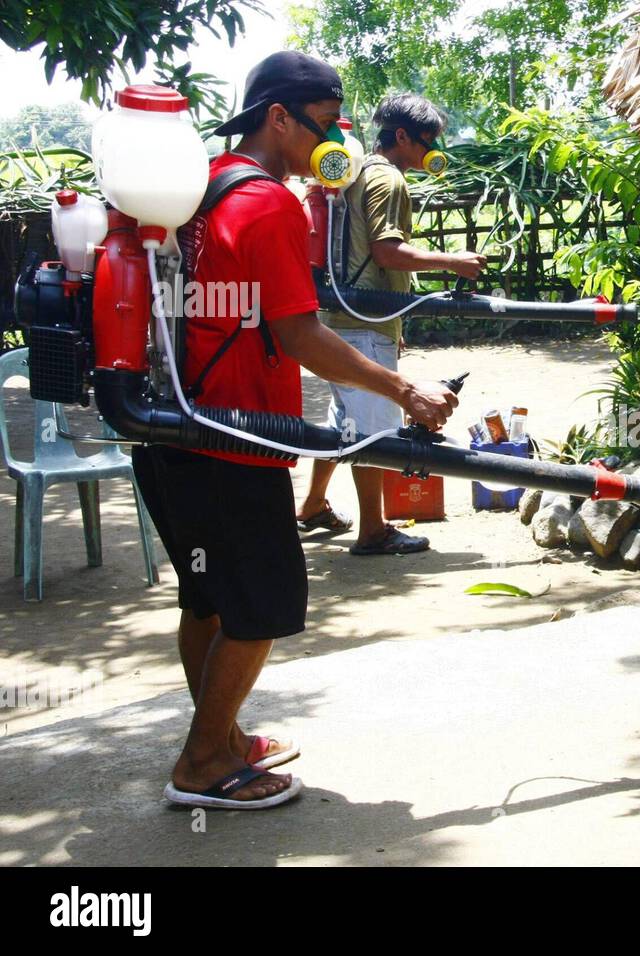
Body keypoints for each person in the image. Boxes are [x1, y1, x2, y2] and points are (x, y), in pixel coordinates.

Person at [131, 51, 459, 808]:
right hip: (233, 437)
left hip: (166, 428)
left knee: (207, 600)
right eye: (323, 121)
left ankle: (224, 736)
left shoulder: (199, 187)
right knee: (265, 603)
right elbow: (303, 336)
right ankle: (204, 764)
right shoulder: (268, 202)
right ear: (279, 117)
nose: (333, 136)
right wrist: (403, 388)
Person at [296, 92, 487, 555]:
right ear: (402, 136)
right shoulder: (389, 181)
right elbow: (386, 251)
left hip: (342, 317)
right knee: (375, 433)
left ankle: (313, 504)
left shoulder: (355, 172)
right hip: (366, 321)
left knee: (343, 421)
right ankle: (373, 531)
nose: (432, 150)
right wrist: (453, 262)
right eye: (428, 140)